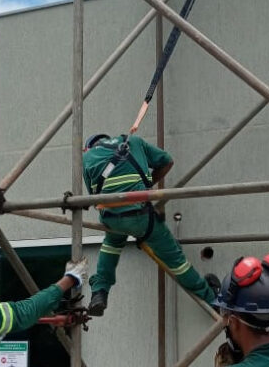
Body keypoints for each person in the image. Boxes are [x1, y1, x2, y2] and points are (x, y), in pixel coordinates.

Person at [82, 132, 218, 316]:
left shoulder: (87, 157)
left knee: (112, 244)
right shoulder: (133, 142)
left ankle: (100, 292)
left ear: (89, 147)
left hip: (112, 218)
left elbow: (95, 197)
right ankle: (212, 299)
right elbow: (167, 161)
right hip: (141, 216)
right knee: (176, 261)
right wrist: (146, 185)